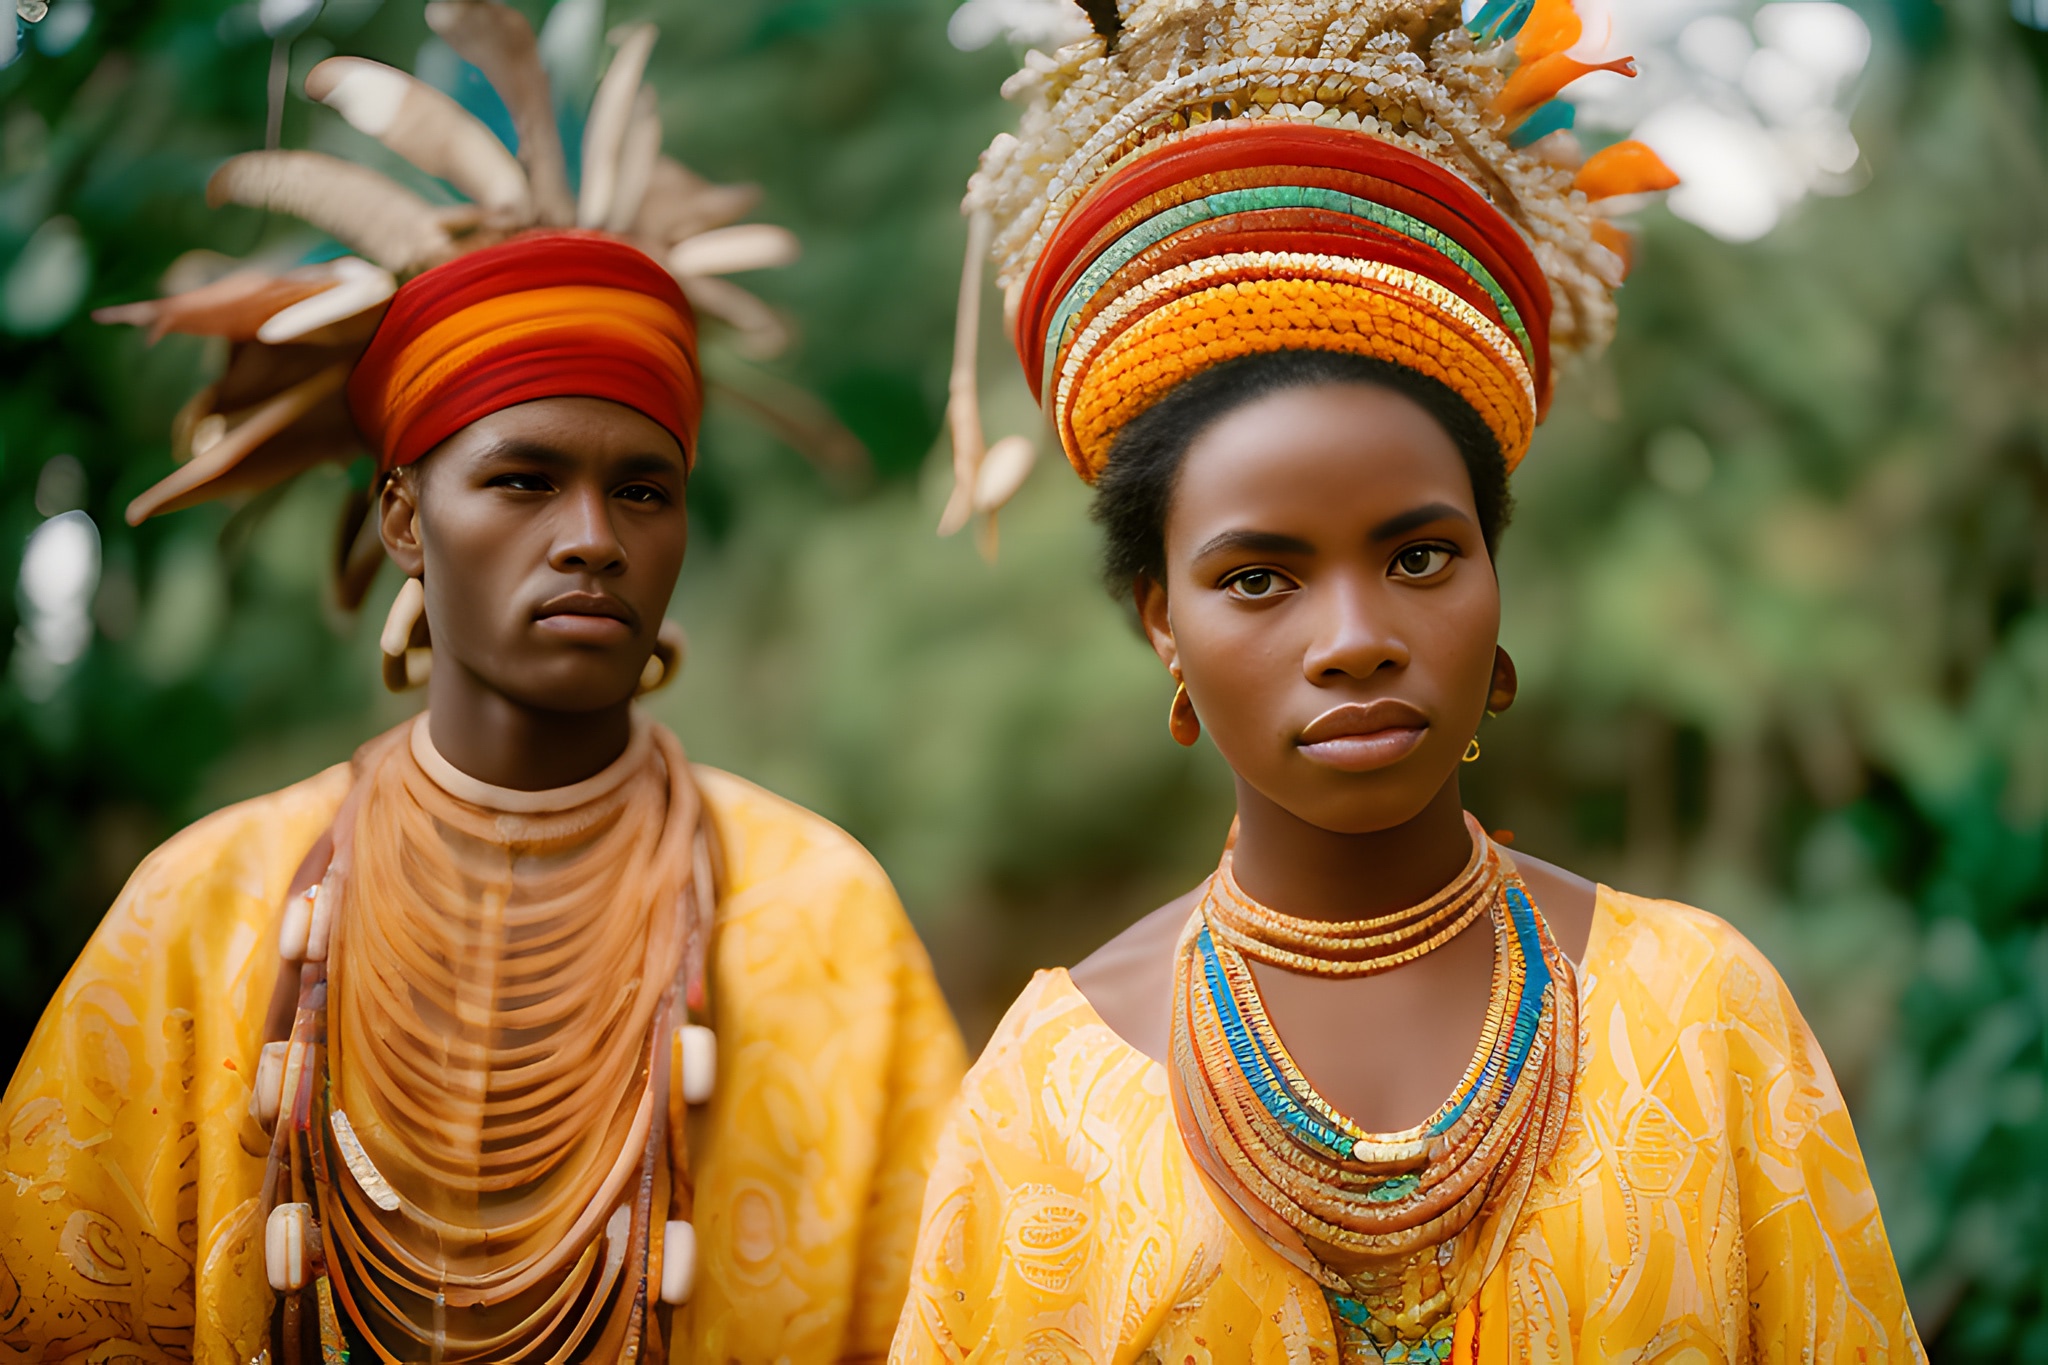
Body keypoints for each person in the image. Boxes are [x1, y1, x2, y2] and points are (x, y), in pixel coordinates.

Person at [893, 0, 1922, 1360]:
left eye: (1421, 554)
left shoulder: (1704, 1014)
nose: (1356, 634)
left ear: (1496, 575)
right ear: (1161, 623)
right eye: (1258, 577)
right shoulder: (1048, 1090)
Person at [0, 8, 963, 1362]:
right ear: (403, 514)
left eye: (644, 490)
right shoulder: (201, 915)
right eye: (522, 480)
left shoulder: (824, 924)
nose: (590, 535)